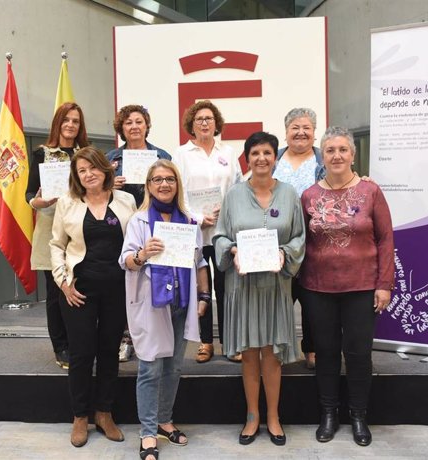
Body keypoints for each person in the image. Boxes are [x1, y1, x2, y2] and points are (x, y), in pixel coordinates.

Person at [299, 126, 394, 446]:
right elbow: (301, 241)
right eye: (330, 150)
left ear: (353, 154)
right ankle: (328, 413)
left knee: (358, 354)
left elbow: (385, 239)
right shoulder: (309, 196)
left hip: (362, 286)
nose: (336, 155)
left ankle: (358, 416)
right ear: (321, 156)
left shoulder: (370, 192)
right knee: (325, 353)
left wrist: (384, 284)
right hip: (317, 288)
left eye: (342, 149)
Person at [213, 131, 306, 446]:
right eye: (255, 154)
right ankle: (252, 416)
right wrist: (233, 251)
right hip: (243, 285)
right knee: (250, 353)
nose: (261, 159)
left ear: (275, 157)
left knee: (272, 354)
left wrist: (285, 253)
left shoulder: (290, 194)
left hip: (276, 286)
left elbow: (299, 238)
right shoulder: (235, 195)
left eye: (267, 153)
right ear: (247, 159)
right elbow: (221, 236)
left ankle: (273, 416)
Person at [120, 160, 209, 460]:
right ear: (148, 186)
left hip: (181, 303)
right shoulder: (140, 221)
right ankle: (147, 432)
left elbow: (199, 261)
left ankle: (164, 420)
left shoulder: (188, 221)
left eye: (169, 179)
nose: (164, 184)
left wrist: (204, 296)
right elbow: (126, 261)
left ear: (177, 184)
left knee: (174, 367)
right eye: (157, 179)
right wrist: (143, 254)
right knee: (149, 368)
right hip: (152, 305)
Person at [50, 146, 137, 448]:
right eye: (82, 170)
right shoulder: (67, 203)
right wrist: (63, 283)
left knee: (109, 351)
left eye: (93, 168)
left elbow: (134, 242)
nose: (88, 174)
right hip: (78, 290)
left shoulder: (127, 201)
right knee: (82, 353)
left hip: (116, 289)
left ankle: (104, 413)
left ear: (105, 169)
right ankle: (79, 416)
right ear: (76, 176)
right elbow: (56, 245)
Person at [173, 100, 242, 363]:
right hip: (196, 233)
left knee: (227, 289)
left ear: (217, 123)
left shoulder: (229, 151)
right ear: (191, 124)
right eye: (199, 119)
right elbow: (175, 192)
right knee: (202, 289)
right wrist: (198, 217)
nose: (204, 123)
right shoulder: (181, 154)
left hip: (224, 233)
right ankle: (205, 343)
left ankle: (228, 342)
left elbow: (237, 188)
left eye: (209, 118)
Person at [25, 102, 89, 370]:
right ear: (58, 123)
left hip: (79, 229)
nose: (71, 125)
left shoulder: (86, 154)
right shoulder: (42, 153)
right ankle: (60, 346)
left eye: (75, 121)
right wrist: (37, 203)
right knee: (55, 292)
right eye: (66, 120)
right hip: (50, 226)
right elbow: (30, 194)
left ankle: (80, 342)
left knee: (79, 288)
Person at [107, 104, 172, 363]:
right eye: (128, 123)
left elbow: (172, 186)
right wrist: (109, 182)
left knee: (152, 279)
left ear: (146, 125)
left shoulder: (161, 155)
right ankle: (125, 337)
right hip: (119, 225)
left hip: (154, 223)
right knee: (124, 283)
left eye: (138, 121)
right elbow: (95, 191)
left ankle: (155, 333)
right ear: (121, 129)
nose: (134, 126)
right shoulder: (111, 158)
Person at [273, 107, 325, 370]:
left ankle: (311, 348)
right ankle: (279, 347)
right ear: (286, 132)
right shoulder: (274, 160)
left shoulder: (323, 162)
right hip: (279, 241)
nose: (301, 132)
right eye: (295, 127)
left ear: (314, 133)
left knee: (311, 297)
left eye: (306, 127)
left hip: (315, 239)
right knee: (280, 297)